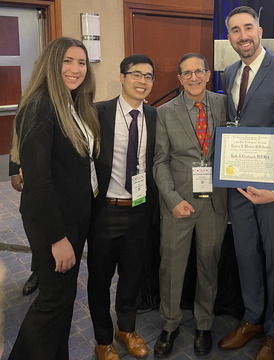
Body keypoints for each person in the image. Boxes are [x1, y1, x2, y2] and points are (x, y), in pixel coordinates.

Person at [217, 6, 274, 360]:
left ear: (260, 30)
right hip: (238, 184)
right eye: (235, 30)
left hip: (271, 190)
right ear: (229, 37)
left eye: (248, 28)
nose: (243, 36)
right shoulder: (229, 72)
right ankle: (251, 319)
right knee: (245, 256)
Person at [8, 37, 100, 360]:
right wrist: (58, 238)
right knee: (52, 304)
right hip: (55, 225)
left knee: (61, 301)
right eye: (68, 62)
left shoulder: (70, 104)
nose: (76, 69)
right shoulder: (40, 106)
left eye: (82, 62)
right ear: (52, 63)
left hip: (72, 220)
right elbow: (39, 182)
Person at [153, 53, 228, 357]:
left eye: (199, 71)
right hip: (178, 200)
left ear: (208, 74)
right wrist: (172, 199)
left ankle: (204, 324)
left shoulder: (224, 104)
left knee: (208, 264)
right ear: (179, 79)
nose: (194, 77)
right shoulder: (164, 112)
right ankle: (170, 324)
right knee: (171, 266)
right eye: (187, 73)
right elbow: (159, 161)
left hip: (214, 201)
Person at [87, 54, 158, 360]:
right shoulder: (97, 112)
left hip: (140, 209)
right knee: (99, 279)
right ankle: (103, 339)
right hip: (105, 210)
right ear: (122, 76)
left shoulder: (155, 116)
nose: (143, 81)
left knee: (132, 276)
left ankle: (125, 329)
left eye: (149, 76)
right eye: (136, 75)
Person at [9, 159, 39, 296]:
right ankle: (38, 271)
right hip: (34, 177)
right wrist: (14, 171)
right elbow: (16, 138)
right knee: (34, 224)